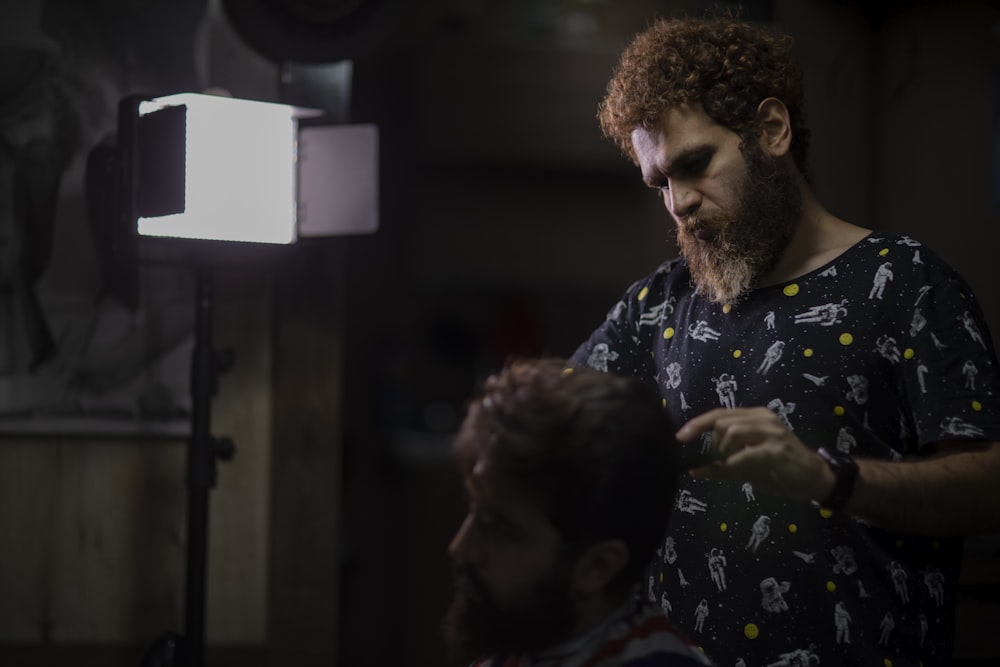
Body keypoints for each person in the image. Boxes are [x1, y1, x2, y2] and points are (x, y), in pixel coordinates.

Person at [570, 15, 1000, 667]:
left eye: (695, 164)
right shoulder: (659, 304)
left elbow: (991, 485)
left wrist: (829, 478)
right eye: (661, 183)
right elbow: (556, 419)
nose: (680, 202)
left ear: (771, 130)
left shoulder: (904, 282)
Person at [443, 358, 715, 667]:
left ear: (597, 567)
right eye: (474, 510)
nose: (461, 548)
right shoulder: (518, 640)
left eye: (501, 528)